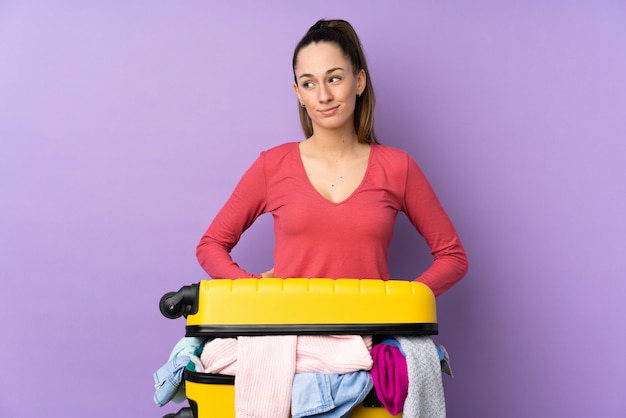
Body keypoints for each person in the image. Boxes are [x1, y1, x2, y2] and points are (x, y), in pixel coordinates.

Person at [196, 19, 468, 297]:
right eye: (309, 83)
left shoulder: (398, 167)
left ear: (359, 81)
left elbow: (453, 257)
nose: (323, 95)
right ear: (299, 94)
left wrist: (401, 301)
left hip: (367, 334)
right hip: (288, 331)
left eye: (334, 78)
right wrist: (253, 289)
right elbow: (210, 245)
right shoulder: (272, 165)